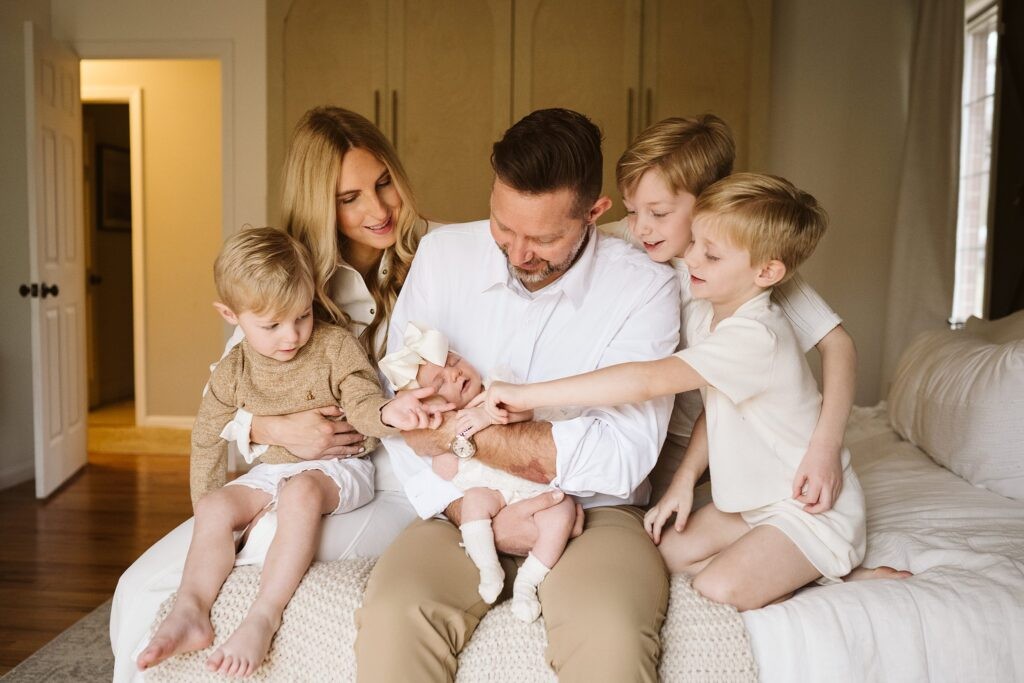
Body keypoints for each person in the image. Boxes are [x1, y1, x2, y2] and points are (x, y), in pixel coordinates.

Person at [110, 107, 435, 682]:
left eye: (384, 183)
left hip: (385, 477)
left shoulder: (436, 264)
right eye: (350, 196)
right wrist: (271, 428)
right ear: (319, 204)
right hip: (280, 468)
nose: (378, 209)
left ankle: (256, 620)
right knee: (136, 586)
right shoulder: (283, 284)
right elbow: (227, 404)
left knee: (263, 546)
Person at [354, 108, 680, 682]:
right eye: (504, 227)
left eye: (545, 237)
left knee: (611, 635)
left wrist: (459, 432)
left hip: (594, 515)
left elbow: (623, 454)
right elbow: (399, 416)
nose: (519, 253)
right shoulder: (441, 257)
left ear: (596, 213)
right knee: (392, 616)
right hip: (457, 504)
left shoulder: (645, 288)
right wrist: (466, 506)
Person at [483, 173, 867, 610]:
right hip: (751, 504)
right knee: (656, 558)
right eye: (694, 244)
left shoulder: (756, 335)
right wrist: (683, 482)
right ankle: (775, 558)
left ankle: (834, 568)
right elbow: (718, 407)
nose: (692, 260)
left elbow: (644, 380)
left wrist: (527, 395)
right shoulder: (713, 313)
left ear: (767, 271)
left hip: (808, 510)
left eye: (711, 255)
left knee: (717, 587)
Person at [137, 228, 446, 676]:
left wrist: (390, 414)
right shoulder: (233, 370)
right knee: (216, 504)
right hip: (273, 470)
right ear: (231, 315)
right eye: (272, 325)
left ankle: (264, 614)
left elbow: (361, 402)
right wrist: (205, 511)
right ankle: (190, 610)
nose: (292, 335)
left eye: (302, 315)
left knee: (301, 492)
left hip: (341, 467)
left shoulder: (334, 345)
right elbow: (206, 435)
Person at [602, 115, 858, 510]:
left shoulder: (748, 268)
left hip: (714, 442)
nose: (641, 228)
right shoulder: (627, 237)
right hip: (658, 431)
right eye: (632, 210)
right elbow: (568, 237)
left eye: (659, 212)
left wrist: (825, 447)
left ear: (708, 199)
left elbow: (837, 345)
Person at [377, 322, 577, 622]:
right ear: (431, 403)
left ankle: (528, 581)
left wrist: (486, 414)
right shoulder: (445, 426)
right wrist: (442, 435)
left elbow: (525, 410)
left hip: (534, 487)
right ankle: (488, 567)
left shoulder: (497, 388)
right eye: (440, 382)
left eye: (454, 361)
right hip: (493, 493)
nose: (454, 373)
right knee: (474, 502)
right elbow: (446, 472)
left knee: (562, 511)